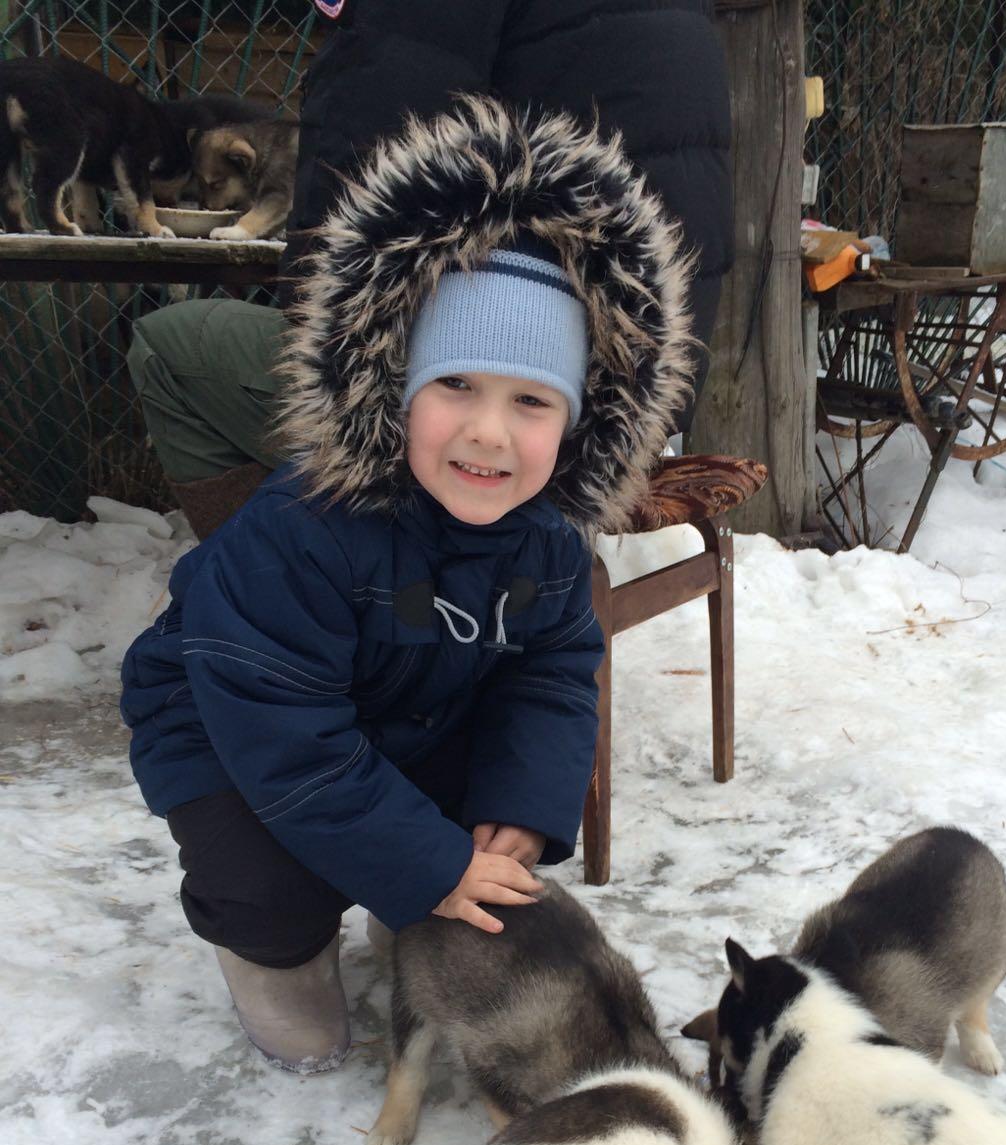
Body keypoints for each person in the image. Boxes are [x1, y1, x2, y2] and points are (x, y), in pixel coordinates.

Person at [119, 96, 695, 1074]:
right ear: (395, 387)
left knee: (471, 830)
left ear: (579, 422)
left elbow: (551, 670)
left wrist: (521, 801)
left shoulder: (549, 541)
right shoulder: (306, 527)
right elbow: (287, 740)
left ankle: (415, 898)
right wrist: (427, 859)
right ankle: (271, 946)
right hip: (231, 731)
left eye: (530, 401)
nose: (487, 432)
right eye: (455, 385)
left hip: (404, 709)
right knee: (271, 874)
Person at [127, 0, 732, 537]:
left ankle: (314, 564)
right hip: (639, 394)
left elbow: (369, 147)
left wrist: (322, 342)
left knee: (168, 346)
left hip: (538, 387)